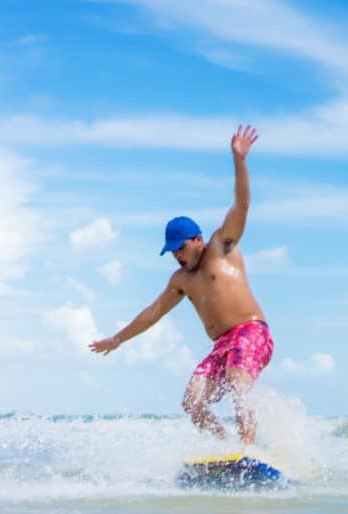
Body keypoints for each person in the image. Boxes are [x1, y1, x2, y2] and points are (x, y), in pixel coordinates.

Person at [89, 125, 272, 445]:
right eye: (172, 251)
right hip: (222, 345)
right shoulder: (181, 281)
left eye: (181, 248)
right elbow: (153, 312)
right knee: (192, 400)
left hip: (251, 332)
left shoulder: (222, 246)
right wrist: (118, 339)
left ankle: (249, 451)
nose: (176, 255)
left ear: (198, 240)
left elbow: (241, 204)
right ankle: (226, 449)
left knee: (237, 384)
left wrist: (239, 160)